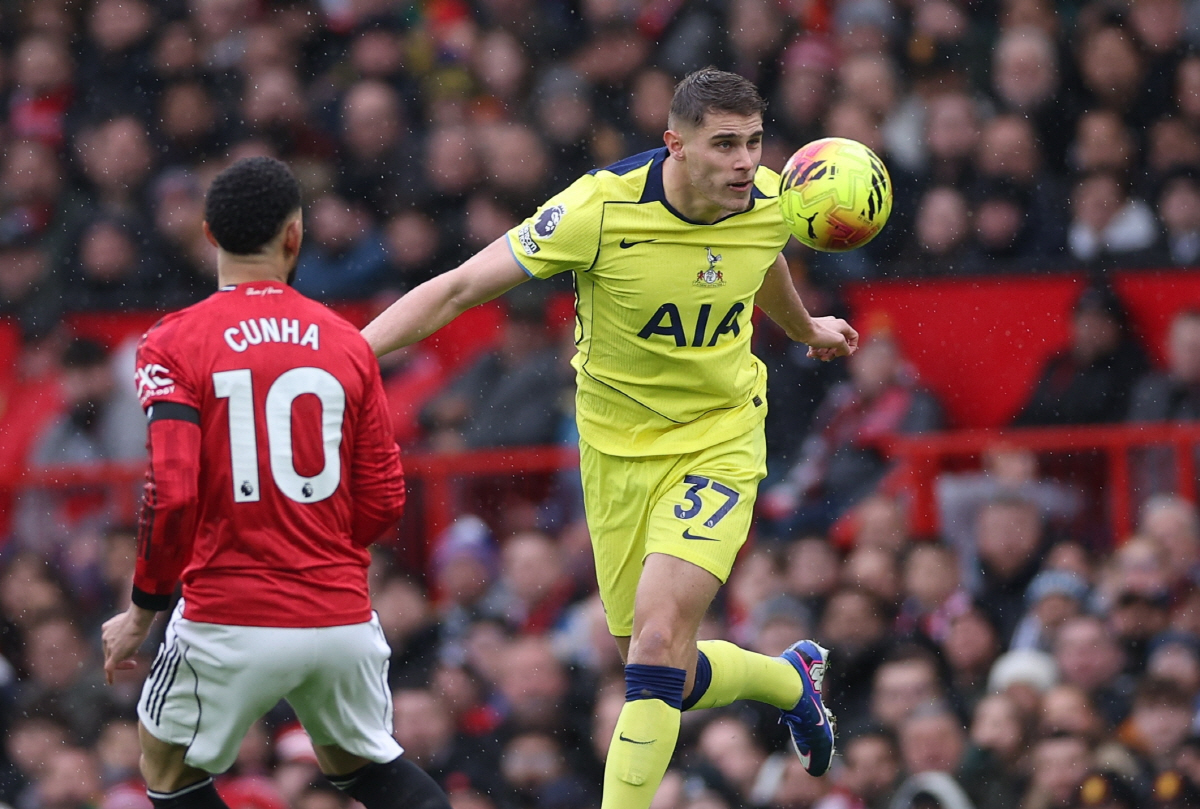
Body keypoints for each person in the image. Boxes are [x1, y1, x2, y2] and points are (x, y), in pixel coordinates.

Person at [362, 68, 854, 809]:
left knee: (656, 648)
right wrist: (342, 360)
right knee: (662, 671)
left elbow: (762, 257)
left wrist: (804, 326)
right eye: (724, 145)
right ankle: (789, 681)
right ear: (674, 146)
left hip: (719, 438)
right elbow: (461, 286)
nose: (745, 163)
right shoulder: (598, 207)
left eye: (754, 142)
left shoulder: (777, 199)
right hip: (615, 453)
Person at [99, 157, 450, 809]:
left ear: (207, 234)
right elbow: (384, 500)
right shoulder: (346, 342)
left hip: (228, 614)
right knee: (368, 769)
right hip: (339, 615)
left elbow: (172, 490)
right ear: (295, 235)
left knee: (166, 766)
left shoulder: (171, 343)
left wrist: (141, 613)